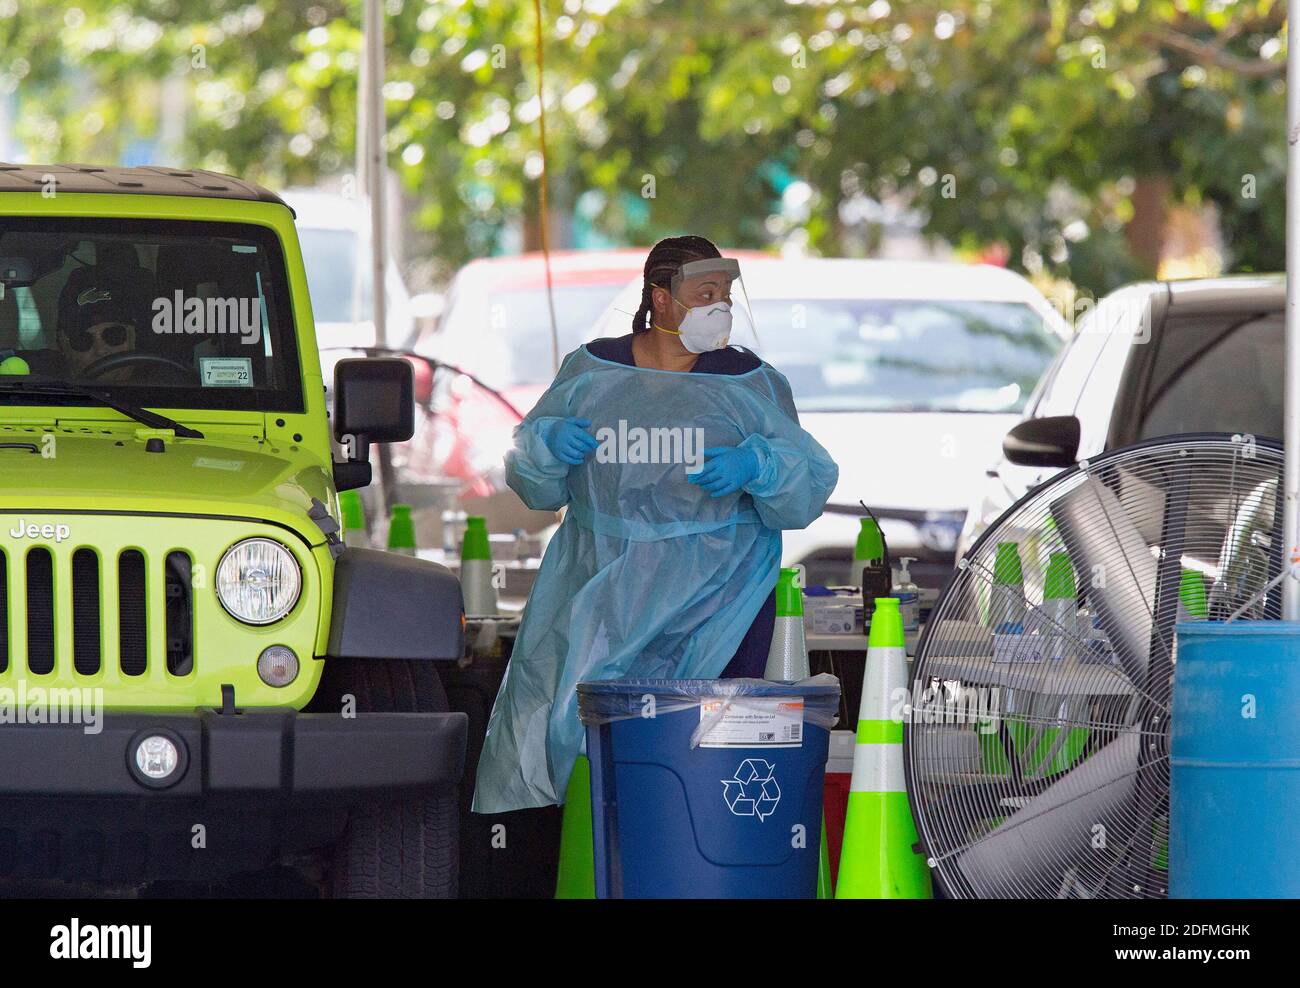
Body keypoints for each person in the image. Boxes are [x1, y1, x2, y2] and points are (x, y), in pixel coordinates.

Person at [472, 236, 838, 815]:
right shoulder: (592, 372)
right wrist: (545, 446)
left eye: (725, 294)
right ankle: (603, 861)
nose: (720, 306)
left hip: (722, 603)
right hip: (600, 594)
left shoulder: (750, 382)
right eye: (704, 293)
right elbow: (535, 486)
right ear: (660, 298)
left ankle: (690, 862)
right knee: (586, 740)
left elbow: (804, 491)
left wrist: (760, 464)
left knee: (702, 754)